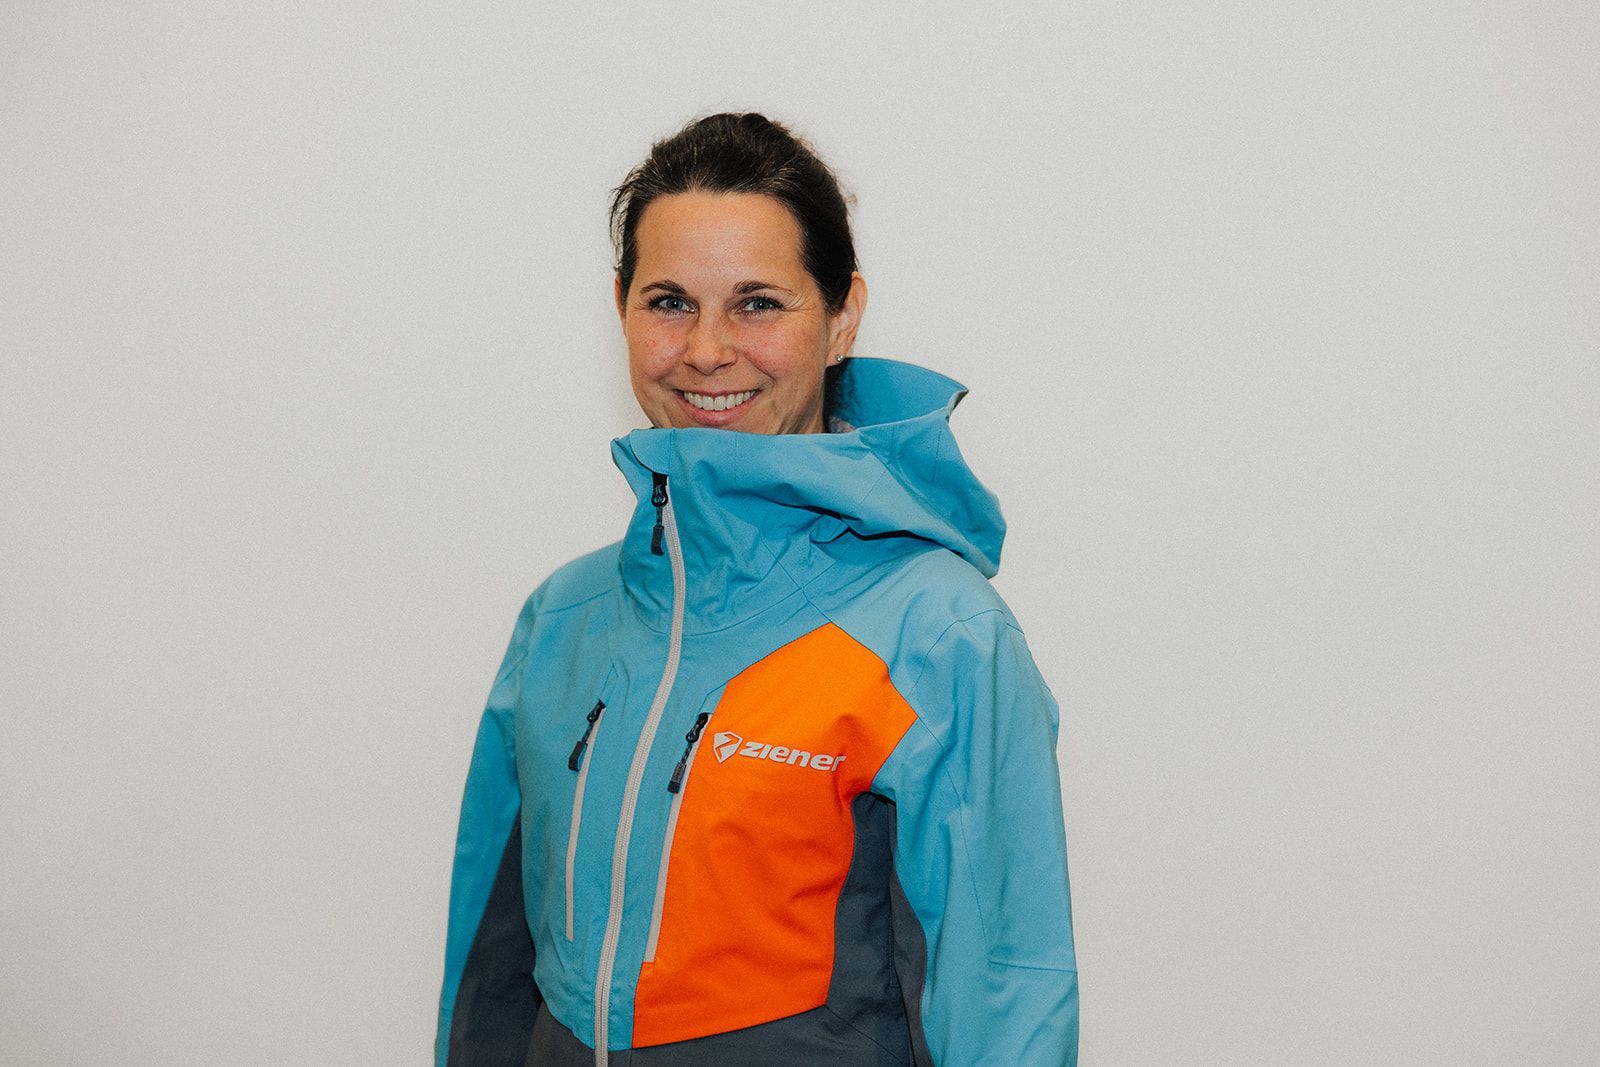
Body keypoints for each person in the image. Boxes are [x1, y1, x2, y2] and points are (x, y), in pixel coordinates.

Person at [435, 112, 1078, 1066]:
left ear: (842, 316)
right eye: (669, 301)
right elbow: (488, 980)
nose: (706, 349)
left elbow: (1009, 1003)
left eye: (757, 303)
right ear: (621, 308)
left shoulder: (939, 636)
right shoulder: (562, 620)